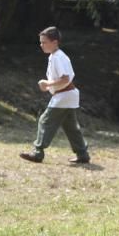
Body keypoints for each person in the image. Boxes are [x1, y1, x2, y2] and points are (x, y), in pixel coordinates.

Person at [19, 26, 91, 165]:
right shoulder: (55, 56)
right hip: (68, 94)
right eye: (41, 42)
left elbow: (65, 79)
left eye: (44, 42)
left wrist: (47, 84)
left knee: (45, 121)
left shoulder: (58, 57)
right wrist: (50, 86)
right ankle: (83, 154)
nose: (42, 45)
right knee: (70, 126)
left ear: (55, 42)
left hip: (64, 95)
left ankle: (37, 152)